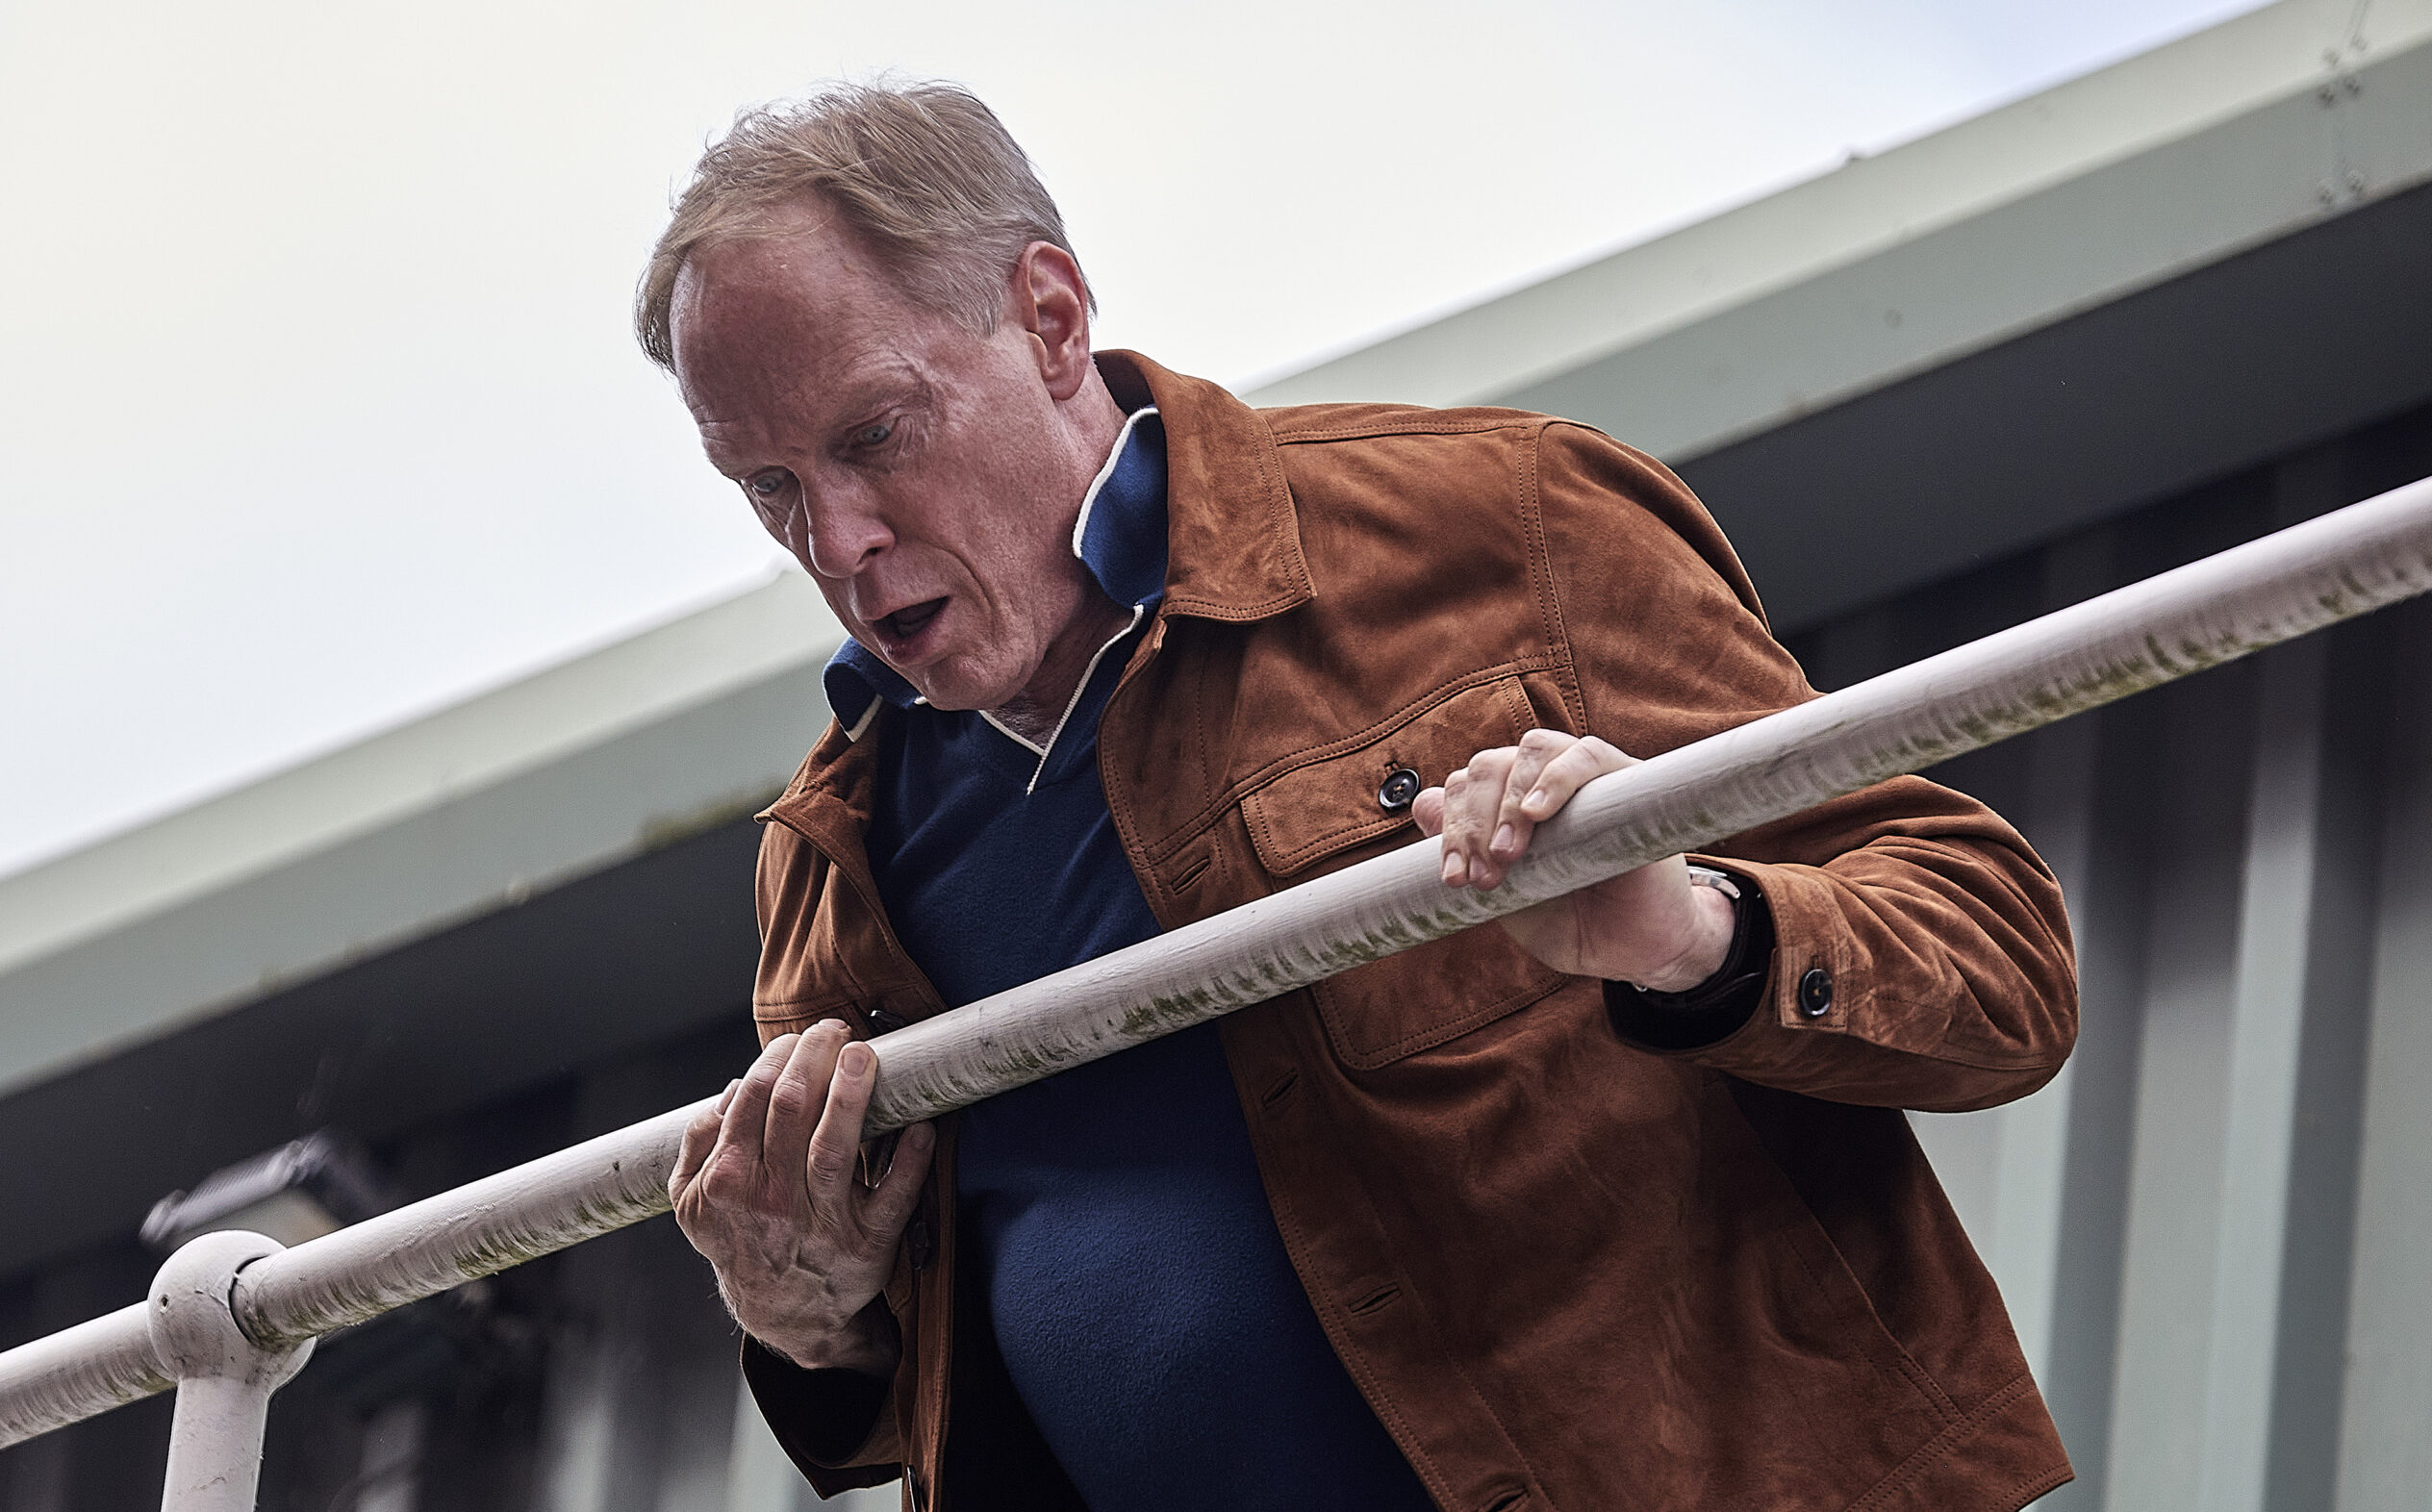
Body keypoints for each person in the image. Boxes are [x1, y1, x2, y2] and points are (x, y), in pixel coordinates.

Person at [648, 82, 2078, 1512]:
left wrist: (1684, 931)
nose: (836, 540)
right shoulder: (834, 852)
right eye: (769, 488)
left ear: (1050, 319)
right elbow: (895, 1403)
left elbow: (2002, 965)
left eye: (875, 437)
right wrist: (811, 1322)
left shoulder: (1501, 529)